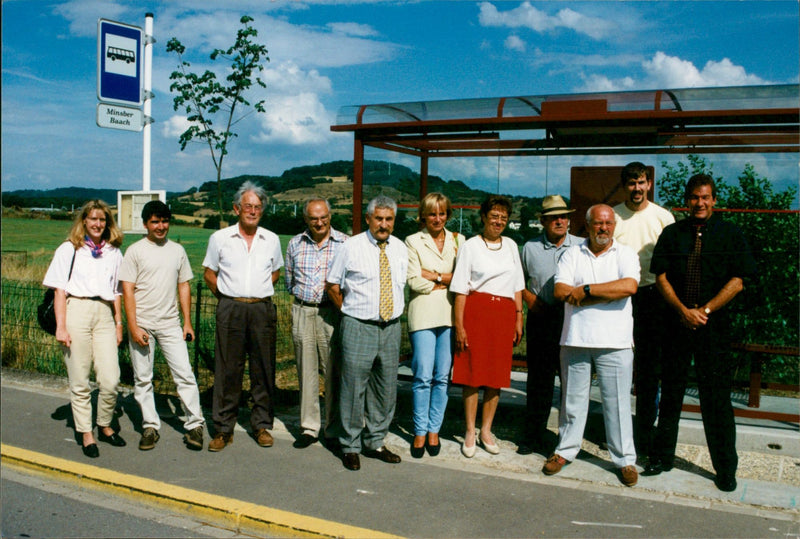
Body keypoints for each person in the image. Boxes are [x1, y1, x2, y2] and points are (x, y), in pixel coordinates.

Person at [650, 174, 756, 492]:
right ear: (687, 200)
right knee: (670, 395)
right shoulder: (672, 234)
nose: (700, 203)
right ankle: (662, 457)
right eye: (695, 197)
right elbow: (661, 277)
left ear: (714, 200)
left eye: (706, 197)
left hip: (713, 328)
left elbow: (738, 281)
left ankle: (725, 469)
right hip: (677, 324)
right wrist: (683, 311)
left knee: (717, 401)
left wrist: (705, 310)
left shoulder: (731, 234)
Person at [544, 204, 640, 487]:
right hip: (576, 338)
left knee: (618, 404)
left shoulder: (626, 253)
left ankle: (625, 460)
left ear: (615, 226)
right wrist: (607, 293)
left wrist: (586, 290)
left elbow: (629, 288)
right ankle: (564, 451)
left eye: (609, 223)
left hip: (616, 341)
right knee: (572, 401)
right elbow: (561, 290)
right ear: (587, 225)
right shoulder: (572, 254)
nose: (604, 228)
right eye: (598, 223)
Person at [325, 195, 408, 471]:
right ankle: (349, 444)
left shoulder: (399, 248)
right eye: (379, 218)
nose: (383, 224)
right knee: (352, 388)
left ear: (393, 221)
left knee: (385, 389)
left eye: (389, 219)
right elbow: (332, 285)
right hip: (358, 325)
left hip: (391, 327)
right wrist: (350, 312)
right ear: (369, 218)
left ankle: (376, 441)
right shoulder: (351, 247)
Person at [202, 181, 284, 452]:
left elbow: (275, 273)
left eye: (257, 207)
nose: (252, 211)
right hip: (231, 308)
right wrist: (229, 298)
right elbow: (209, 274)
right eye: (248, 206)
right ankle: (223, 429)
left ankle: (261, 425)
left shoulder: (271, 239)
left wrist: (254, 295)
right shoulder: (220, 238)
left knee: (263, 368)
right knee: (227, 370)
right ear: (237, 208)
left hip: (261, 308)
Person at [42, 199, 126, 458]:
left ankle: (104, 424)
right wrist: (61, 326)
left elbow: (116, 292)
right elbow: (59, 290)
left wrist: (119, 323)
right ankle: (86, 433)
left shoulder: (114, 252)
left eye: (102, 220)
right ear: (84, 221)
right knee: (80, 379)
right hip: (75, 310)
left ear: (107, 223)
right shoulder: (69, 250)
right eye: (93, 219)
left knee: (110, 380)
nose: (98, 224)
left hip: (104, 315)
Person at [119, 200, 205, 452]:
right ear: (145, 224)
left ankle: (195, 425)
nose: (160, 226)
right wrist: (133, 327)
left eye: (164, 221)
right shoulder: (134, 251)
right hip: (143, 324)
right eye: (154, 222)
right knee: (143, 378)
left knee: (184, 375)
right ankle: (150, 426)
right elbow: (128, 290)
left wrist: (187, 322)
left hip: (170, 324)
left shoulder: (177, 250)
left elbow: (184, 285)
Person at [450, 195, 524, 458]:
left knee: (495, 376)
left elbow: (517, 286)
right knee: (472, 373)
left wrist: (518, 317)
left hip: (503, 314)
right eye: (494, 216)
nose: (499, 221)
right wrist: (459, 326)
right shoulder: (470, 246)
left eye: (504, 217)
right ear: (483, 217)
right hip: (476, 312)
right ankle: (470, 430)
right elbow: (459, 289)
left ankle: (486, 430)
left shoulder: (512, 246)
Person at [612, 162, 675, 471]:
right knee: (617, 366)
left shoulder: (663, 217)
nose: (636, 188)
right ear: (625, 186)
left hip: (652, 298)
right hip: (619, 298)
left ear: (649, 184)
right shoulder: (613, 216)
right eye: (631, 183)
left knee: (649, 373)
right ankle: (618, 434)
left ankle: (644, 438)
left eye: (641, 182)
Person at [518, 194, 581, 455]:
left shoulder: (581, 246)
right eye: (553, 217)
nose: (559, 221)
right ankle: (533, 435)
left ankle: (567, 440)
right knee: (539, 380)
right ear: (543, 221)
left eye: (563, 216)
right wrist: (530, 300)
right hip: (541, 318)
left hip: (572, 319)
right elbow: (517, 281)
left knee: (571, 381)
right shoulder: (529, 247)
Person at [285, 198, 348, 449]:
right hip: (303, 310)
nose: (319, 222)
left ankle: (332, 429)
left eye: (323, 217)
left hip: (331, 313)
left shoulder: (345, 243)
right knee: (306, 370)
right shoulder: (294, 244)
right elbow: (290, 280)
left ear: (330, 216)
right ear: (306, 220)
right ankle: (309, 428)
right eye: (313, 218)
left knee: (333, 371)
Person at [405, 193, 462, 458]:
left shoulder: (458, 240)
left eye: (441, 213)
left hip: (450, 315)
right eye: (431, 213)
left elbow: (463, 278)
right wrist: (444, 281)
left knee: (442, 377)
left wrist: (435, 275)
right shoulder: (413, 240)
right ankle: (419, 431)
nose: (437, 218)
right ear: (423, 216)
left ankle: (434, 430)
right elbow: (413, 280)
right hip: (423, 315)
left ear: (448, 215)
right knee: (422, 375)